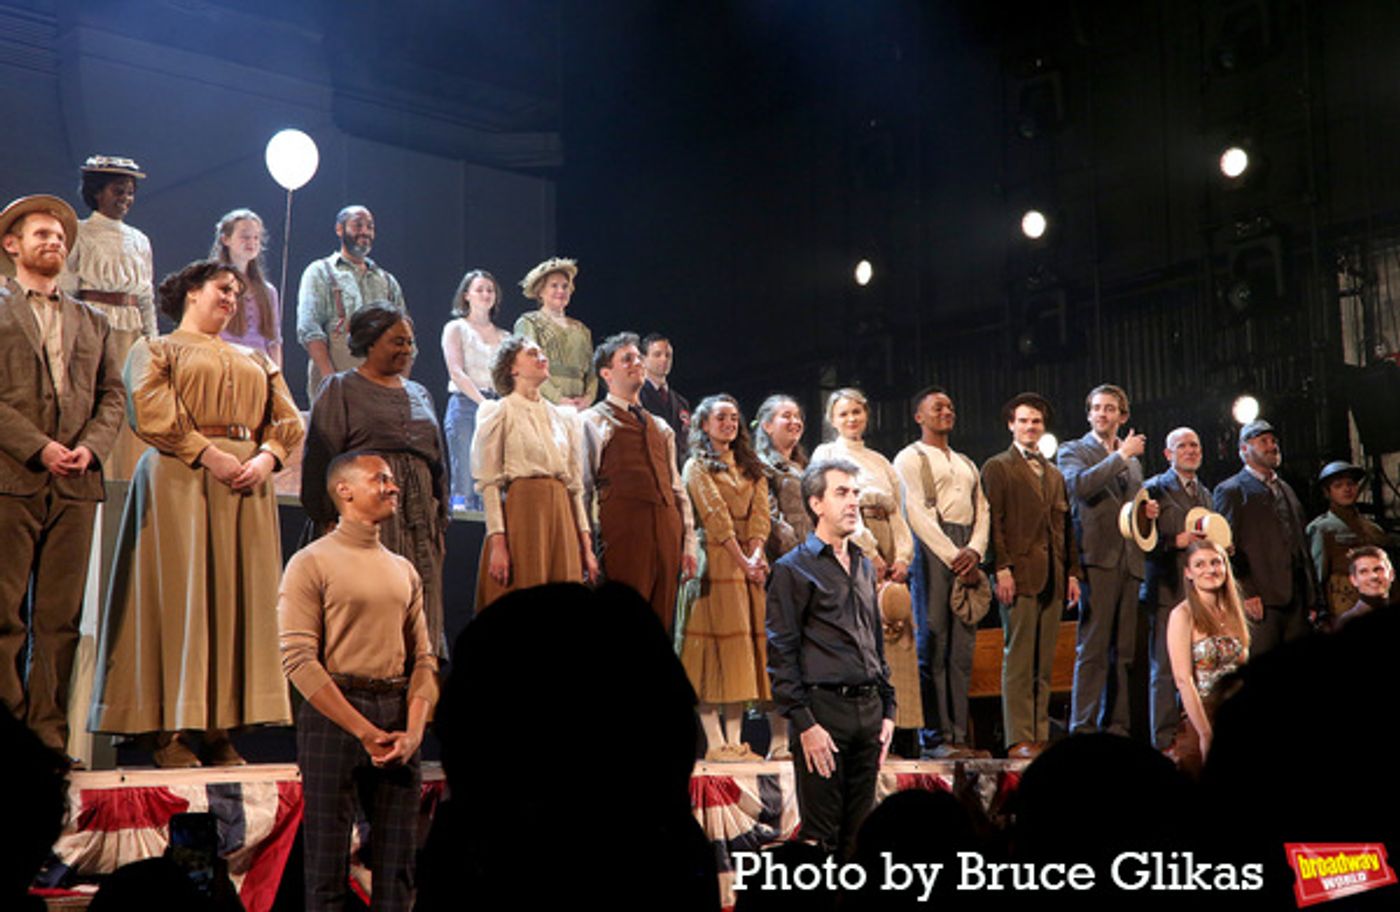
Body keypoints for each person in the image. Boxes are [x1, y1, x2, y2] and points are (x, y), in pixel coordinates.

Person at [89, 259, 304, 767]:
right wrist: (209, 454)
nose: (231, 298)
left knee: (234, 600)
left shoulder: (255, 358)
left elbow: (287, 419)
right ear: (191, 290)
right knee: (179, 596)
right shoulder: (156, 349)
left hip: (245, 484)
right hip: (181, 477)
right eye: (222, 288)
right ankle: (169, 729)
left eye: (237, 292)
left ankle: (218, 727)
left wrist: (266, 459)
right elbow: (150, 409)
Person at [279, 451, 437, 912]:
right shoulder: (311, 563)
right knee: (326, 869)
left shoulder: (404, 569)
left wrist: (413, 733)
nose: (393, 487)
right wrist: (364, 731)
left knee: (398, 871)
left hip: (397, 714)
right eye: (380, 479)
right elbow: (299, 660)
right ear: (344, 491)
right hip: (335, 717)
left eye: (392, 480)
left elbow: (424, 660)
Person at [0, 195, 124, 762]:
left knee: (60, 621)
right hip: (11, 478)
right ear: (13, 245)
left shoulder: (92, 320)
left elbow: (113, 395)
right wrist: (38, 446)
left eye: (60, 237)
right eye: (42, 234)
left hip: (74, 485)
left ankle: (47, 740)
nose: (54, 242)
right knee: (5, 617)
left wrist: (89, 449)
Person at [301, 305, 450, 658]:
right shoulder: (340, 388)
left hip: (418, 523)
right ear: (369, 342)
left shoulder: (420, 393)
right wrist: (329, 518)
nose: (406, 349)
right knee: (370, 614)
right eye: (397, 341)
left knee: (419, 618)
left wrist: (440, 516)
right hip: (366, 521)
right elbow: (321, 459)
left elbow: (437, 461)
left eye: (410, 342)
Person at [766, 458, 896, 857]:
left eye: (855, 493)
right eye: (842, 493)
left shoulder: (863, 565)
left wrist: (888, 709)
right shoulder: (793, 569)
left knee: (860, 840)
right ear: (816, 503)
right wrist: (805, 723)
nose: (853, 501)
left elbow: (874, 640)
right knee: (821, 840)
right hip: (824, 713)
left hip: (869, 712)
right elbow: (781, 651)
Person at [980, 393, 1081, 759]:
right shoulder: (998, 467)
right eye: (1023, 420)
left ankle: (1038, 735)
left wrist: (1072, 573)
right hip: (1018, 574)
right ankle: (1018, 737)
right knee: (1019, 659)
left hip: (1053, 575)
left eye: (1036, 421)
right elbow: (994, 523)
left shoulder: (1054, 473)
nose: (1030, 427)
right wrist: (1001, 567)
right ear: (1011, 425)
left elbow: (1065, 527)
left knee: (1044, 662)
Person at [893, 386, 990, 759]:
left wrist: (975, 550)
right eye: (937, 407)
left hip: (966, 547)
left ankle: (958, 734)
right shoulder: (910, 457)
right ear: (919, 416)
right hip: (933, 548)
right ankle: (933, 737)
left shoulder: (966, 463)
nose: (946, 411)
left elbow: (982, 509)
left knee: (961, 648)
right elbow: (914, 512)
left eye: (949, 406)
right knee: (933, 640)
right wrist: (954, 556)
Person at [1056, 383, 1157, 738]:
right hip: (1097, 558)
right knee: (1093, 648)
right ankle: (1083, 729)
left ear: (1122, 416)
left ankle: (1116, 727)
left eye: (1110, 408)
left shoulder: (1134, 462)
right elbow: (1078, 487)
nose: (1102, 413)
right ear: (1089, 415)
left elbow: (1130, 509)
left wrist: (1146, 511)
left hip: (1130, 561)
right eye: (1097, 408)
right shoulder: (1073, 450)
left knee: (1124, 652)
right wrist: (1121, 455)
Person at [580, 333, 697, 634]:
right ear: (606, 373)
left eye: (637, 357)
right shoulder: (593, 420)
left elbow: (677, 489)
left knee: (661, 625)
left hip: (666, 533)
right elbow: (582, 489)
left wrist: (688, 543)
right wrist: (585, 547)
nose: (637, 363)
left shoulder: (662, 427)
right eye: (627, 359)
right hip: (623, 533)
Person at [471, 335, 598, 610]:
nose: (542, 357)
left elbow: (575, 487)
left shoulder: (563, 417)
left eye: (542, 353)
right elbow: (489, 483)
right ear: (512, 368)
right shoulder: (499, 411)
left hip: (561, 513)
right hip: (524, 512)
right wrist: (498, 543)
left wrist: (586, 546)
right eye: (531, 353)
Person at [679, 394, 773, 760]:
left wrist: (756, 556)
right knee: (708, 654)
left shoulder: (751, 466)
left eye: (734, 417)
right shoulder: (697, 466)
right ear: (704, 424)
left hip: (747, 563)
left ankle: (735, 741)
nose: (729, 423)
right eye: (720, 418)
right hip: (714, 562)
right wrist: (742, 559)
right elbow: (714, 516)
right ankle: (715, 742)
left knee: (739, 651)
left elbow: (760, 515)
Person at [60, 155, 154, 481]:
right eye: (118, 190)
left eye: (130, 192)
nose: (125, 198)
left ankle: (126, 481)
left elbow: (146, 296)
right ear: (98, 191)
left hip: (131, 332)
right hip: (92, 328)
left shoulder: (140, 240)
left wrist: (152, 342)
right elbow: (67, 289)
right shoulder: (79, 232)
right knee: (96, 399)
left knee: (129, 402)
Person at [1212, 419, 1317, 656]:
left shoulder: (1287, 489)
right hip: (1262, 602)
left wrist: (1312, 597)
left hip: (1297, 600)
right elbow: (1226, 547)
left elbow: (1301, 544)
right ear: (1244, 449)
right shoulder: (1231, 491)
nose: (1272, 446)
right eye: (1263, 441)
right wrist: (1247, 592)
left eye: (1273, 441)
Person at [1139, 427, 1213, 752]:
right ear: (1168, 454)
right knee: (1166, 669)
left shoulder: (1206, 494)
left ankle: (1194, 736)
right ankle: (1164, 743)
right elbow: (1139, 540)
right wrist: (1174, 541)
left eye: (1195, 445)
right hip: (1167, 589)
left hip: (1200, 594)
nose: (1190, 450)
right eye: (1182, 446)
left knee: (1198, 668)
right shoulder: (1153, 488)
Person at [296, 205, 406, 403]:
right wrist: (330, 380)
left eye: (370, 227)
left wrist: (398, 384)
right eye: (358, 225)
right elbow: (309, 329)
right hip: (337, 390)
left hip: (381, 392)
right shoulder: (320, 272)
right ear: (340, 229)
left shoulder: (387, 281)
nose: (365, 231)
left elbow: (405, 336)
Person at [811, 388, 913, 585]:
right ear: (832, 420)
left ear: (866, 414)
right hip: (850, 541)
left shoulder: (880, 461)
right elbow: (836, 508)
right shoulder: (827, 454)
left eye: (856, 412)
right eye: (843, 414)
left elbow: (897, 512)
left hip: (888, 541)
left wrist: (902, 557)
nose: (851, 419)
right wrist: (870, 552)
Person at [1166, 541, 1250, 773]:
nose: (1210, 570)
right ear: (1188, 573)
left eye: (1216, 562)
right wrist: (1205, 734)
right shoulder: (1182, 615)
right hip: (1203, 711)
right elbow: (1183, 680)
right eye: (1200, 564)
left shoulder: (1233, 610)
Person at [440, 268, 505, 511]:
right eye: (480, 290)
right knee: (464, 479)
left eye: (490, 290)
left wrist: (496, 405)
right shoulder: (456, 328)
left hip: (496, 405)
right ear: (466, 295)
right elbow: (456, 371)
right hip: (466, 404)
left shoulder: (505, 336)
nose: (486, 294)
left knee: (493, 478)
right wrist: (482, 402)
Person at [1306, 460, 1389, 622]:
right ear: (1327, 492)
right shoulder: (1322, 529)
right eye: (1338, 486)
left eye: (1350, 484)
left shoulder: (1372, 528)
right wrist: (1320, 610)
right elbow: (1317, 575)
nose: (1346, 489)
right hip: (1343, 602)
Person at [513, 257, 595, 408]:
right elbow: (528, 367)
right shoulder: (529, 322)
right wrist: (558, 399)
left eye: (565, 286)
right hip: (543, 405)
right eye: (554, 286)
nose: (561, 291)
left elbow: (592, 372)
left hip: (578, 410)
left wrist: (587, 399)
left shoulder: (582, 329)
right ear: (541, 291)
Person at [211, 208, 282, 366]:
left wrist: (276, 377)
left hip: (260, 369)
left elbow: (274, 342)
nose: (252, 242)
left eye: (256, 237)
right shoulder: (211, 286)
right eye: (245, 237)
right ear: (225, 239)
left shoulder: (268, 291)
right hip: (225, 367)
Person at [753, 394, 812, 564]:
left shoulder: (804, 467)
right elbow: (771, 518)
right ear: (767, 426)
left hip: (812, 554)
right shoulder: (761, 465)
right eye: (787, 416)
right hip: (788, 559)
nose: (795, 421)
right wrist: (799, 556)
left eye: (797, 416)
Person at [639, 333, 691, 468]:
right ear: (643, 359)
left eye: (668, 355)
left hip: (679, 470)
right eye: (657, 355)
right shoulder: (636, 397)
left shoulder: (681, 402)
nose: (664, 359)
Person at [1336, 545, 1394, 627]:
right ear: (1354, 580)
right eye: (1364, 571)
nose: (1373, 576)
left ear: (1391, 574)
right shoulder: (1346, 622)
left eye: (1378, 569)